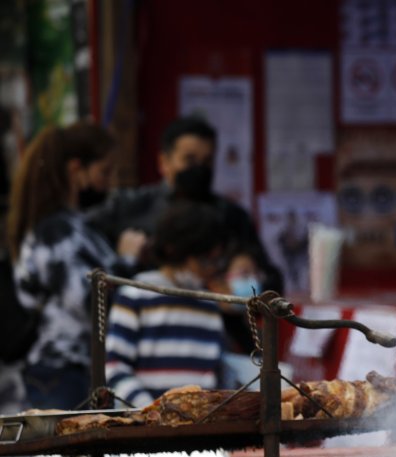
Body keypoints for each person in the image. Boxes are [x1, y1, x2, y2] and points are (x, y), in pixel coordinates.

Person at [8, 123, 145, 409]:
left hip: (84, 371)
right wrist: (127, 261)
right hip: (63, 372)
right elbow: (90, 303)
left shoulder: (78, 227)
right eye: (104, 172)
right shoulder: (56, 232)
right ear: (75, 171)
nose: (109, 183)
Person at [86, 116, 283, 293]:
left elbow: (273, 284)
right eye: (189, 159)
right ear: (164, 162)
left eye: (207, 161)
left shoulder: (231, 217)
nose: (199, 168)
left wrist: (247, 276)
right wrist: (122, 258)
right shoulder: (129, 207)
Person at [105, 200, 229, 405]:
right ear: (174, 251)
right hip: (145, 427)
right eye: (204, 261)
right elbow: (115, 368)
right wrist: (150, 411)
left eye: (216, 261)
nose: (210, 269)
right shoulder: (136, 295)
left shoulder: (210, 304)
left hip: (201, 428)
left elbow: (215, 375)